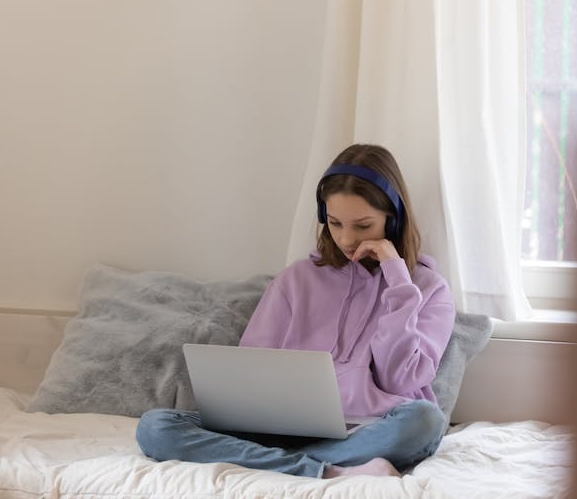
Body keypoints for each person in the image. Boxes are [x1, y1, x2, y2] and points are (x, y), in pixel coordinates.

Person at [136, 143, 456, 479]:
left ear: (394, 219)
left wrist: (398, 283)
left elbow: (400, 379)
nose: (346, 239)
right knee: (155, 427)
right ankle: (328, 468)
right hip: (279, 427)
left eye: (362, 226)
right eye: (334, 223)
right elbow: (252, 368)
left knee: (424, 422)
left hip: (366, 429)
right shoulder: (297, 279)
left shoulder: (427, 288)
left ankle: (276, 461)